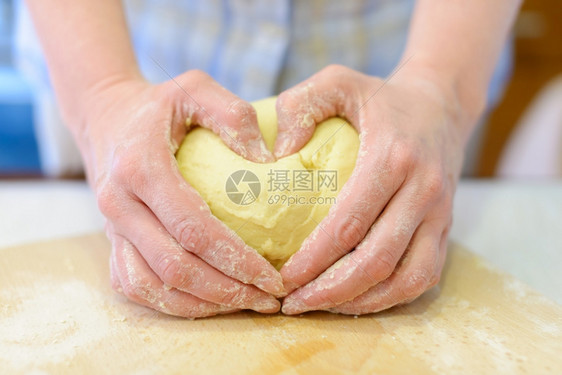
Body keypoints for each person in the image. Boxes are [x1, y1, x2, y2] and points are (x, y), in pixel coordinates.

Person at [21, 0, 522, 318]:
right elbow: (102, 99)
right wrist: (103, 97)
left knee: (403, 213)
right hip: (110, 55)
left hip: (413, 77)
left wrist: (438, 88)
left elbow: (434, 96)